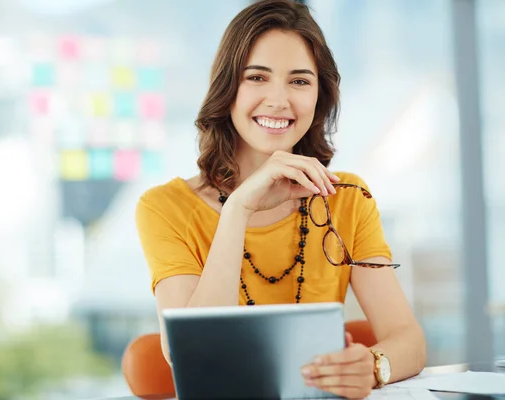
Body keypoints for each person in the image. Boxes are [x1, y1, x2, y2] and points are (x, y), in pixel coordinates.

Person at [135, 0, 426, 397]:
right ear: (228, 88)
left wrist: (374, 366)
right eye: (257, 77)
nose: (279, 100)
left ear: (319, 95)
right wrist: (238, 207)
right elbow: (192, 352)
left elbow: (408, 339)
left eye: (300, 81)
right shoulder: (164, 207)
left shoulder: (346, 197)